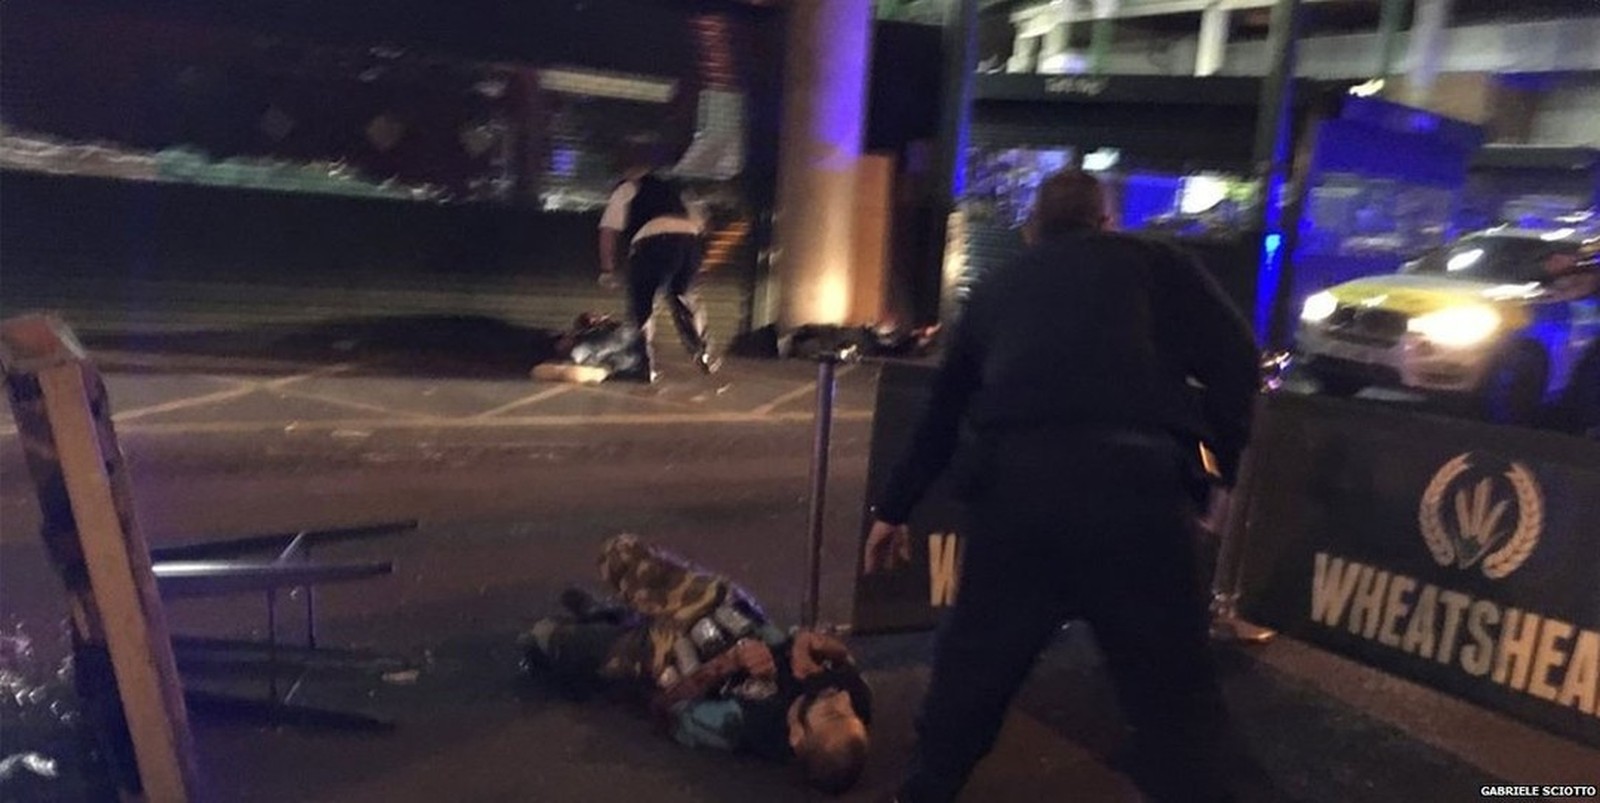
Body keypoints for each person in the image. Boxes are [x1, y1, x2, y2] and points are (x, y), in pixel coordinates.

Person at [862, 169, 1262, 803]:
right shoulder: (1157, 265)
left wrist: (894, 508)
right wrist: (1214, 469)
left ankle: (926, 791)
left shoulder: (997, 289)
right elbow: (1238, 360)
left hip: (1021, 498)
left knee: (972, 677)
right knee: (1177, 703)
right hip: (1138, 496)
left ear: (1032, 230)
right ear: (1106, 222)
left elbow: (942, 414)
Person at [521, 535, 872, 795]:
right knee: (620, 552)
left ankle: (605, 623)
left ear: (797, 735)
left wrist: (730, 661)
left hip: (669, 652)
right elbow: (841, 656)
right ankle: (615, 614)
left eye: (832, 713)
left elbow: (669, 710)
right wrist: (809, 643)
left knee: (544, 637)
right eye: (848, 710)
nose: (840, 698)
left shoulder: (747, 724)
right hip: (721, 610)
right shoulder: (854, 698)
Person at [598, 142, 719, 382]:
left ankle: (642, 364)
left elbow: (608, 231)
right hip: (689, 240)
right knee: (684, 297)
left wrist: (607, 269)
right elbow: (703, 223)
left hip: (653, 242)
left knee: (642, 302)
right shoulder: (679, 189)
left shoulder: (628, 188)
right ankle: (703, 352)